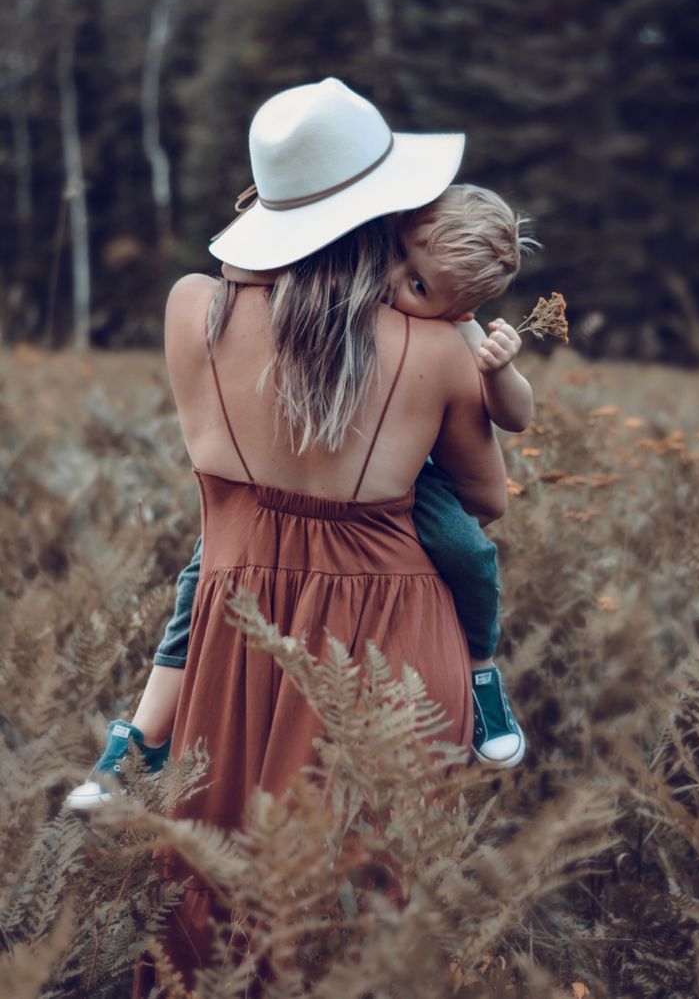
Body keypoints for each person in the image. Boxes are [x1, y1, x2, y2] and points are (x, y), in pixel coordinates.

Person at [67, 179, 536, 814]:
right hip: (389, 602)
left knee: (199, 588)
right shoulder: (436, 347)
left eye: (421, 288)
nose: (394, 283)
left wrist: (287, 209)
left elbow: (513, 423)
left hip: (249, 576)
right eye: (393, 253)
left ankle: (485, 674)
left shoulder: (198, 306)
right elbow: (491, 497)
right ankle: (137, 737)